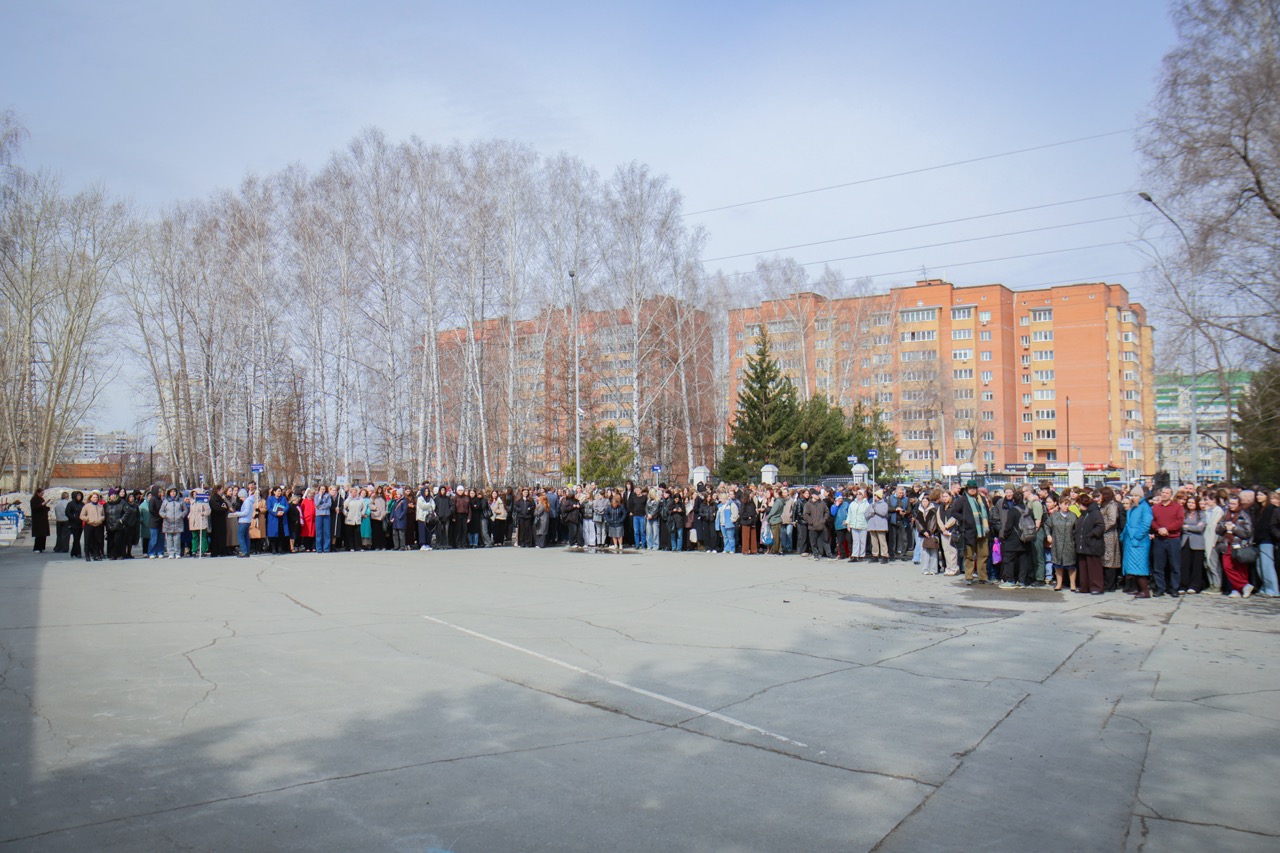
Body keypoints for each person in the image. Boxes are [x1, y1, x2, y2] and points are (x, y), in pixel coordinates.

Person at [952, 480, 991, 585]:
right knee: (969, 555)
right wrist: (964, 519)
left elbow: (987, 513)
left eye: (974, 488)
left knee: (983, 555)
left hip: (983, 531)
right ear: (967, 489)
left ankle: (983, 577)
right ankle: (968, 577)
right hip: (968, 532)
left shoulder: (982, 499)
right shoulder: (962, 500)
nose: (972, 490)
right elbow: (954, 512)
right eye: (970, 488)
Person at [1216, 495, 1254, 598]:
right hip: (1226, 544)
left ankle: (1238, 589)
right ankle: (1244, 585)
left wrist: (1234, 528)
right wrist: (1224, 526)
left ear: (1239, 504)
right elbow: (1217, 530)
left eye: (1234, 504)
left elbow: (1248, 533)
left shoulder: (1244, 515)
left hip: (1239, 545)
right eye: (1230, 503)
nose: (1231, 506)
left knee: (1241, 568)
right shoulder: (1225, 514)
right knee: (1227, 567)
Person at [1150, 486, 1185, 596]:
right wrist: (1158, 529)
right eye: (1163, 492)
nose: (1164, 494)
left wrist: (1167, 529)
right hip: (1159, 539)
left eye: (1167, 493)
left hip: (1173, 539)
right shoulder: (1155, 507)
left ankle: (1174, 588)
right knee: (1158, 566)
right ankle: (1160, 588)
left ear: (1171, 495)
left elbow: (1179, 521)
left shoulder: (1177, 507)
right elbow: (1152, 520)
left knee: (1175, 565)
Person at [1122, 487, 1154, 593]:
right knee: (1131, 567)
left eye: (1136, 496)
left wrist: (1137, 536)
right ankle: (1135, 588)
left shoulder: (1144, 507)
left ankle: (1144, 590)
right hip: (1130, 541)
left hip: (1139, 542)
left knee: (1140, 566)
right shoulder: (1134, 507)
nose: (1133, 498)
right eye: (1132, 495)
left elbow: (1146, 524)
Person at [1075, 493, 1107, 595]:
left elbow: (1100, 526)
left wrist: (1090, 535)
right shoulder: (1084, 514)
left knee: (1094, 567)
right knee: (1083, 567)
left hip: (1092, 544)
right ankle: (1084, 587)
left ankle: (1097, 587)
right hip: (1083, 544)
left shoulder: (1094, 513)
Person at [1046, 494, 1078, 591]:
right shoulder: (1054, 516)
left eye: (1068, 505)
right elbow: (1047, 525)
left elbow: (1076, 529)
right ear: (1059, 505)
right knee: (1058, 565)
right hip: (1057, 544)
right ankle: (1059, 584)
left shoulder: (1073, 516)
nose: (1066, 507)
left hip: (1070, 544)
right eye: (1064, 504)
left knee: (1071, 565)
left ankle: (1073, 584)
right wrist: (1048, 535)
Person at [1180, 495, 1208, 594]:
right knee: (1184, 564)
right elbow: (1180, 526)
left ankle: (1195, 585)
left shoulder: (1201, 514)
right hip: (1185, 541)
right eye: (1189, 502)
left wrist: (1186, 527)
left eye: (1192, 502)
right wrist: (1190, 527)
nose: (1190, 504)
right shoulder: (1184, 513)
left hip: (1197, 542)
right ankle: (1183, 585)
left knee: (1196, 565)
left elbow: (1200, 528)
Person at [160, 488, 187, 559]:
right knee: (169, 539)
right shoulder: (166, 501)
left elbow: (185, 510)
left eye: (174, 491)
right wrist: (165, 516)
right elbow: (161, 511)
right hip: (168, 522)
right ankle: (170, 553)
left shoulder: (180, 501)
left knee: (177, 539)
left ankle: (177, 552)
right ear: (169, 493)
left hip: (178, 522)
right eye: (171, 492)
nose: (173, 493)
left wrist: (181, 515)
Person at [80, 491, 106, 561]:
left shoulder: (100, 506)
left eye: (96, 497)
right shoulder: (86, 506)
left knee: (97, 541)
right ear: (91, 498)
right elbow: (81, 516)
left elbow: (103, 515)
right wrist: (87, 519)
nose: (95, 499)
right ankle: (87, 555)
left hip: (98, 525)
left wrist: (101, 519)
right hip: (89, 525)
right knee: (88, 541)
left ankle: (96, 555)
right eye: (94, 497)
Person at [866, 489, 890, 563]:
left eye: (875, 496)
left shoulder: (884, 504)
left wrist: (875, 509)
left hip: (881, 526)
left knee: (882, 541)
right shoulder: (871, 504)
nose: (874, 497)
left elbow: (883, 513)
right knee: (874, 542)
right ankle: (875, 555)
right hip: (872, 525)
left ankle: (884, 555)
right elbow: (866, 514)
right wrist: (871, 513)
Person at [188, 490, 211, 557]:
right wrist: (189, 516)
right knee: (194, 537)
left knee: (203, 537)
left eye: (196, 493)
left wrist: (204, 513)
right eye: (193, 494)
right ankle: (194, 550)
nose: (195, 495)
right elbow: (191, 511)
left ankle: (203, 550)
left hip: (201, 520)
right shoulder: (192, 502)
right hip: (193, 521)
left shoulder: (203, 501)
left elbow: (208, 510)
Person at [739, 489, 760, 555]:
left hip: (752, 520)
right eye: (751, 493)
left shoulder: (752, 501)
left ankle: (753, 550)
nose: (752, 494)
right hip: (746, 521)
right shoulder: (743, 501)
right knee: (745, 536)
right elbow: (742, 512)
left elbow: (753, 509)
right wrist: (748, 516)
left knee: (753, 536)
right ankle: (745, 550)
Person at [29, 488, 50, 553]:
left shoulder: (41, 499)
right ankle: (37, 548)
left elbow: (43, 507)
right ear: (38, 493)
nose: (42, 494)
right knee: (39, 534)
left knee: (43, 534)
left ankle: (42, 547)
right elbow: (35, 508)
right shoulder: (34, 499)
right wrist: (42, 505)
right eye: (41, 493)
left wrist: (46, 508)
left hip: (43, 519)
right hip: (38, 519)